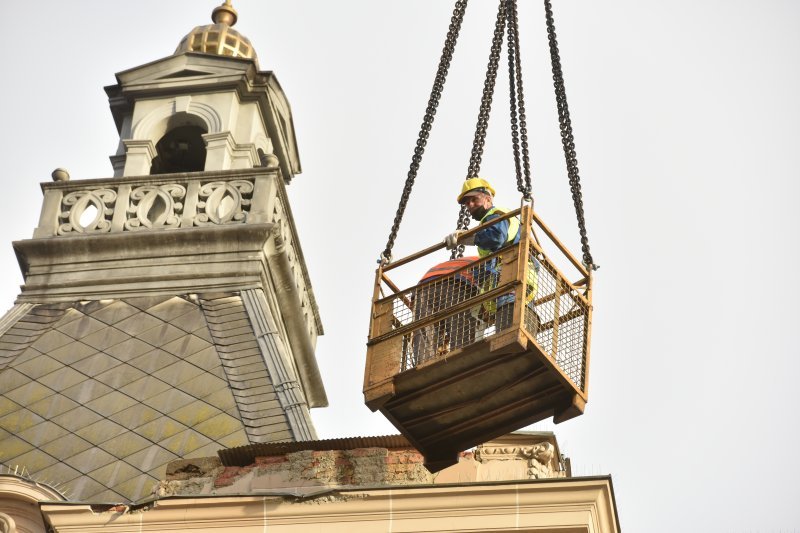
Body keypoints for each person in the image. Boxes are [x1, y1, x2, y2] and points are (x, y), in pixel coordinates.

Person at [444, 178, 538, 334]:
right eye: (467, 203)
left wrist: (470, 238)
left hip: (512, 276)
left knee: (510, 328)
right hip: (515, 278)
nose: (470, 205)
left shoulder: (495, 215)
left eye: (474, 199)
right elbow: (487, 263)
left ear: (488, 198)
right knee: (520, 321)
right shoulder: (489, 222)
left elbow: (496, 237)